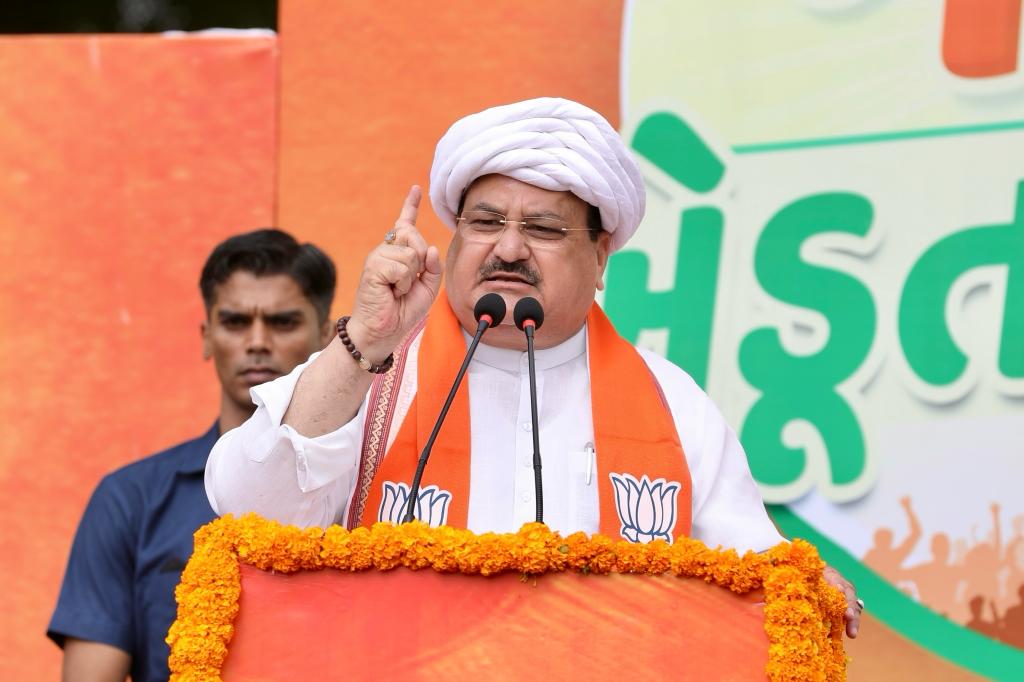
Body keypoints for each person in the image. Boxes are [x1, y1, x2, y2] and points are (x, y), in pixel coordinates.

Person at [205, 97, 863, 637]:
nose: (510, 248)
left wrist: (797, 579)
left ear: (602, 257)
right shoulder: (371, 372)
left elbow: (752, 580)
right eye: (486, 221)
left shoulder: (670, 402)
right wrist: (366, 341)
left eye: (545, 229)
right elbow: (249, 506)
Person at [48, 229, 337, 682]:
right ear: (206, 336)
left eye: (282, 322)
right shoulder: (130, 500)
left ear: (326, 337)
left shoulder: (365, 485)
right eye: (236, 322)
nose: (257, 341)